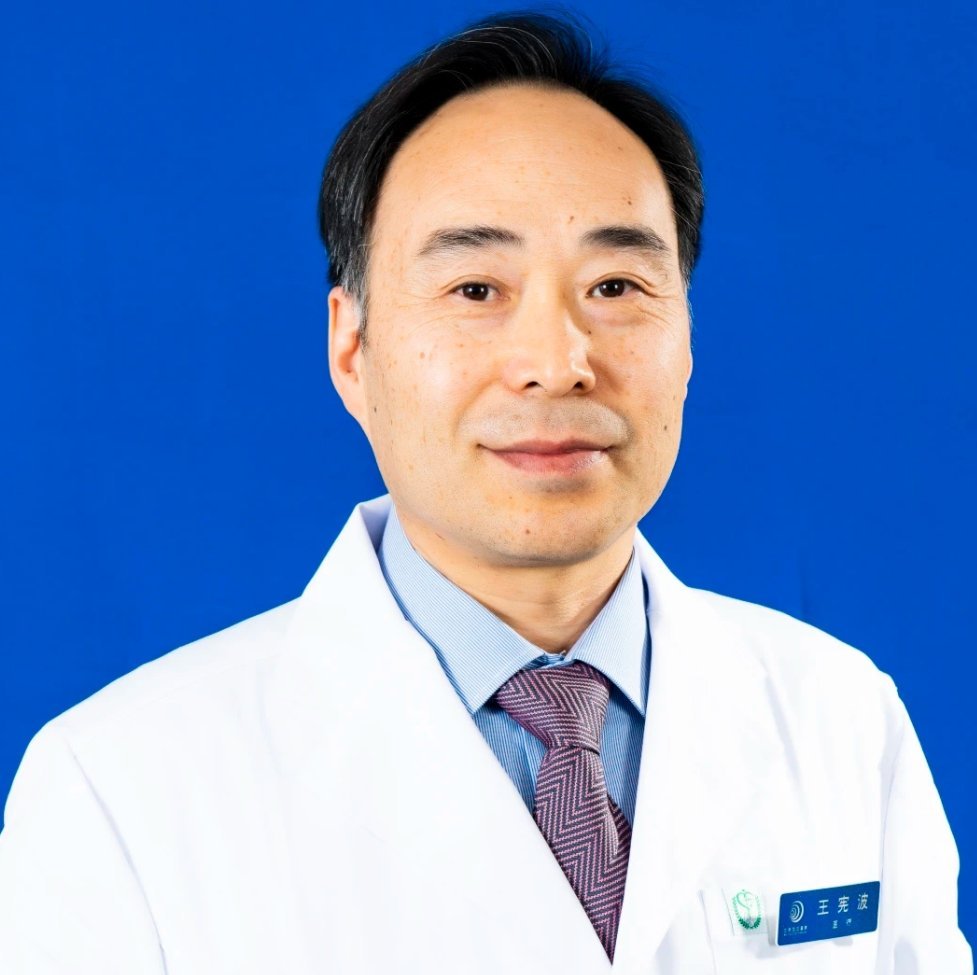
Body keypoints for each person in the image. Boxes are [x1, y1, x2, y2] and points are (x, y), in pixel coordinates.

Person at [0, 10, 970, 974]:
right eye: (475, 290)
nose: (555, 361)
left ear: (685, 337)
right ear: (351, 348)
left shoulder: (841, 719)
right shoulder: (118, 792)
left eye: (615, 286)